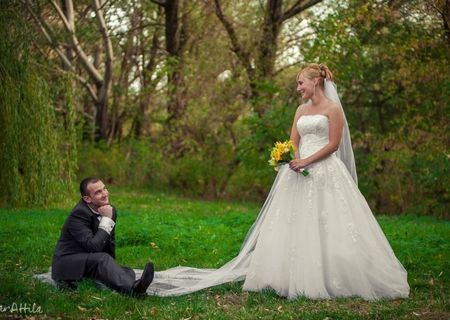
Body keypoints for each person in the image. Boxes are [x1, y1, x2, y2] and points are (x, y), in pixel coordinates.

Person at [144, 64, 410, 300]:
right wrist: (294, 159)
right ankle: (282, 275)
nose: (298, 88)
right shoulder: (300, 109)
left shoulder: (333, 109)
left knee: (329, 221)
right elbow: (294, 140)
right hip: (297, 170)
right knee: (290, 222)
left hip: (325, 170)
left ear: (314, 82)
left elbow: (333, 144)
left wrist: (307, 162)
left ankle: (331, 274)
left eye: (300, 83)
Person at [51, 177, 155, 296]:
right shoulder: (79, 214)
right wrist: (106, 219)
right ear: (87, 199)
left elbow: (109, 241)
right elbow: (93, 246)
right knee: (102, 260)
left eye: (104, 189)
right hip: (68, 262)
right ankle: (134, 291)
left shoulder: (109, 210)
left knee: (126, 271)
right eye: (98, 192)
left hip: (88, 259)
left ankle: (135, 286)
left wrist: (111, 266)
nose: (105, 194)